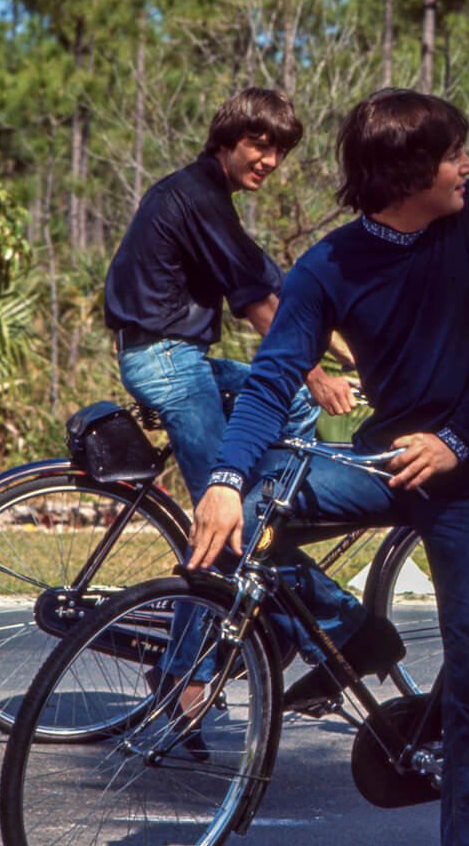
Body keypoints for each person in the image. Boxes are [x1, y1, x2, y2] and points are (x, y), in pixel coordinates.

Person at [189, 88, 469, 846]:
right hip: (387, 459)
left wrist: (456, 440)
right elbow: (275, 373)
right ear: (408, 173)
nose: (466, 166)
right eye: (452, 155)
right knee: (254, 500)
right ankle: (349, 633)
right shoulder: (329, 266)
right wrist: (223, 480)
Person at [103, 86, 355, 729]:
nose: (269, 161)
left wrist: (345, 346)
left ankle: (269, 542)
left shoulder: (206, 197)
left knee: (290, 415)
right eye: (259, 145)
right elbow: (256, 303)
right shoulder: (196, 196)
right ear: (227, 140)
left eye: (279, 152)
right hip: (167, 361)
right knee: (229, 514)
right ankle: (210, 668)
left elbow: (269, 282)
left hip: (177, 355)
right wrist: (318, 370)